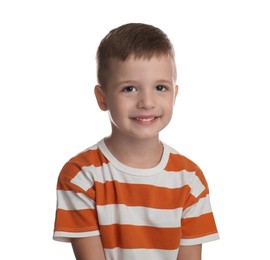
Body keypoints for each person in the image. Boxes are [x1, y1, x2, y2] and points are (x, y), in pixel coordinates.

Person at [53, 23, 219, 260]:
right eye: (129, 88)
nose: (147, 102)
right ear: (102, 98)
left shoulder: (190, 180)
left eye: (160, 87)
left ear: (175, 94)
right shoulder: (81, 175)